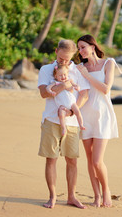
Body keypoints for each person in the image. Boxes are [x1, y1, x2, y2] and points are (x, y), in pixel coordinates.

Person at [37, 39, 90, 209]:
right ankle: (52, 196)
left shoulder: (78, 71)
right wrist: (64, 85)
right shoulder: (46, 69)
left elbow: (84, 95)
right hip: (51, 121)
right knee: (51, 160)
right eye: (61, 59)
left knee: (72, 161)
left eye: (67, 59)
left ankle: (71, 197)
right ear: (56, 52)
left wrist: (72, 111)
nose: (64, 62)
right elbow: (44, 93)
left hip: (72, 122)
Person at [76, 34, 119, 207]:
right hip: (86, 116)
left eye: (83, 47)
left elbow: (105, 88)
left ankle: (106, 190)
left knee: (97, 160)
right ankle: (96, 196)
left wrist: (87, 75)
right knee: (89, 159)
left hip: (103, 115)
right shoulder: (80, 67)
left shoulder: (108, 63)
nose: (80, 51)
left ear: (93, 46)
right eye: (78, 48)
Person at [46, 63, 86, 137]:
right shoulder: (56, 83)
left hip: (72, 102)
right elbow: (48, 88)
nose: (63, 77)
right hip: (62, 105)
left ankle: (81, 124)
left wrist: (77, 87)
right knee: (61, 115)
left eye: (65, 74)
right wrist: (50, 91)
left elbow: (76, 85)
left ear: (67, 74)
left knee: (77, 112)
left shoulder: (69, 81)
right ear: (56, 76)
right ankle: (63, 128)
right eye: (60, 75)